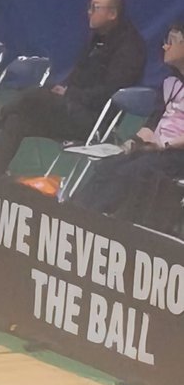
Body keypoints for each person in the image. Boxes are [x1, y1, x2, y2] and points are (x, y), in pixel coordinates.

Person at [0, 0, 146, 174]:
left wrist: (70, 93)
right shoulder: (97, 38)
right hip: (73, 109)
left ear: (112, 14)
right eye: (89, 6)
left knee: (35, 95)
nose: (89, 12)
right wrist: (63, 89)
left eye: (95, 7)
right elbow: (79, 73)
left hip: (95, 121)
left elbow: (111, 93)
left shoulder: (130, 48)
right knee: (17, 120)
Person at [74, 19, 184, 230]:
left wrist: (164, 145)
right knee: (108, 165)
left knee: (131, 172)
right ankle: (74, 214)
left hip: (177, 154)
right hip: (157, 149)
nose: (165, 46)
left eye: (171, 41)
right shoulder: (170, 82)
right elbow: (153, 121)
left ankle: (95, 226)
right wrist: (132, 143)